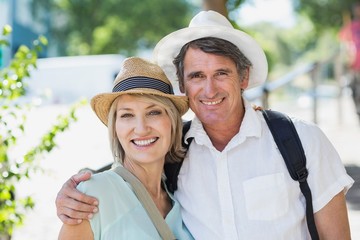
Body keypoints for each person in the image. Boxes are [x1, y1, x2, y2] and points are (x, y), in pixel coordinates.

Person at [56, 11, 354, 239]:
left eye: (221, 73)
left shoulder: (301, 141)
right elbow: (130, 166)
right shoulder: (177, 152)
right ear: (183, 84)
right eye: (197, 76)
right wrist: (71, 193)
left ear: (244, 77)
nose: (209, 90)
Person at [57, 57, 193, 239]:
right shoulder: (94, 193)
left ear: (173, 123)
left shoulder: (179, 201)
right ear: (115, 128)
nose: (141, 128)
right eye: (127, 115)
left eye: (154, 112)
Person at [339, 3, 360, 122]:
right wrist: (347, 58)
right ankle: (358, 113)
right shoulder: (350, 26)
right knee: (355, 91)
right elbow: (344, 44)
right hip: (354, 65)